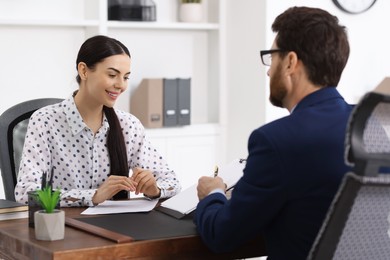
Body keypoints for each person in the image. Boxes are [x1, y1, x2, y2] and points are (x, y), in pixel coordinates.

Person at [194, 6, 353, 260]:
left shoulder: (277, 140)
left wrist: (213, 193)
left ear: (290, 62)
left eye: (272, 57)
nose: (269, 70)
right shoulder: (371, 126)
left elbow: (222, 235)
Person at [15, 35, 181, 207]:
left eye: (125, 77)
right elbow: (27, 192)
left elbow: (172, 182)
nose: (121, 85)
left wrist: (154, 188)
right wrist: (93, 196)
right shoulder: (44, 121)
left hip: (116, 228)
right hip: (60, 228)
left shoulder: (128, 125)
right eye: (112, 75)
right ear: (84, 71)